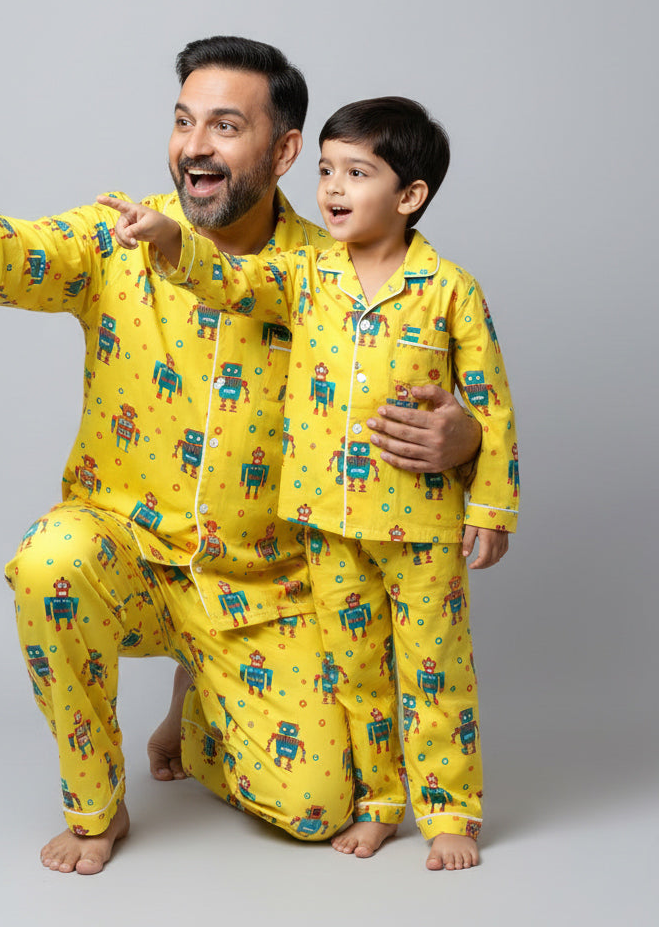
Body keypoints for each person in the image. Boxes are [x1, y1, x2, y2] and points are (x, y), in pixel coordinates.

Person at [0, 38, 483, 875]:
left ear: (285, 150)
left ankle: (201, 706)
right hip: (125, 558)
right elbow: (17, 251)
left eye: (225, 127)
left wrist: (464, 441)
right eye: (182, 122)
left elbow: (410, 390)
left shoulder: (334, 273)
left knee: (319, 808)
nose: (194, 146)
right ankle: (95, 809)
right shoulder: (119, 236)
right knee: (49, 561)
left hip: (262, 588)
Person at [99, 95, 520, 871]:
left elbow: (490, 405)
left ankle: (450, 811)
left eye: (356, 173)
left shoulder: (450, 288)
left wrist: (491, 508)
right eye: (326, 170)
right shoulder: (303, 273)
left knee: (434, 674)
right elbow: (230, 282)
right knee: (355, 674)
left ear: (410, 195)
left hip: (422, 525)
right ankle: (380, 802)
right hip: (323, 524)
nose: (331, 188)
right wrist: (170, 241)